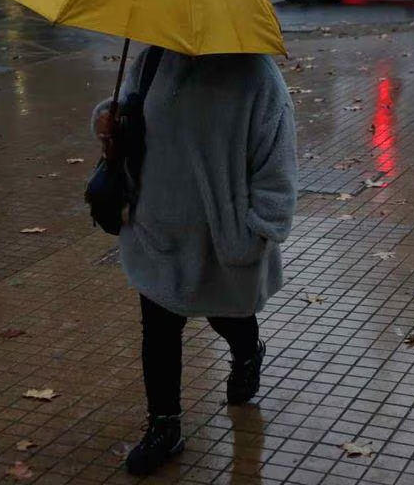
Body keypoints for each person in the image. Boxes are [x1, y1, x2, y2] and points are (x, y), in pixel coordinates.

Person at [92, 48, 298, 476]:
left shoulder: (255, 72)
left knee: (228, 318)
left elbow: (277, 159)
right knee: (159, 331)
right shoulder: (152, 59)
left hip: (223, 237)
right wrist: (108, 121)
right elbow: (130, 113)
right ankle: (164, 427)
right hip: (158, 232)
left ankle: (247, 354)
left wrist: (259, 227)